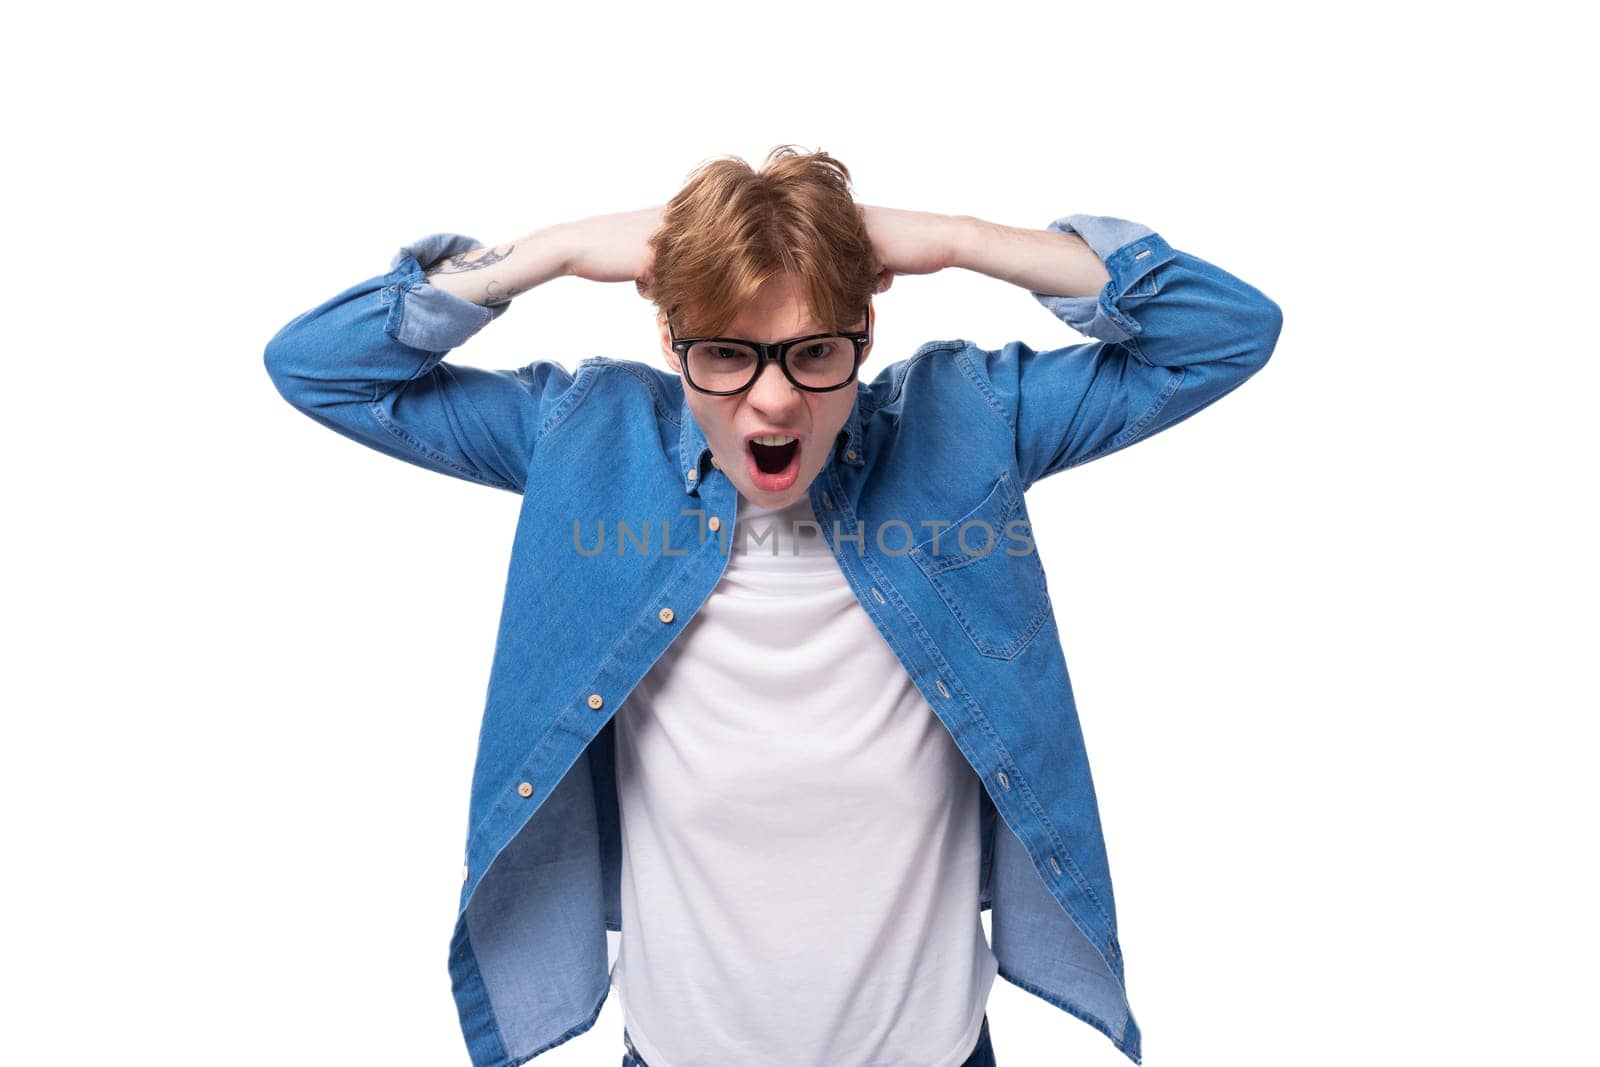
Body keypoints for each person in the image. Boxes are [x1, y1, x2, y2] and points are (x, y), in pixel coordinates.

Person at [263, 145, 1281, 1067]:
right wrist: (554, 251)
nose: (776, 400)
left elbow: (1223, 334)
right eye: (727, 353)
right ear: (671, 342)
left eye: (812, 351)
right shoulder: (586, 439)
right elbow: (321, 367)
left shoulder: (966, 424)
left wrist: (961, 242)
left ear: (863, 334)